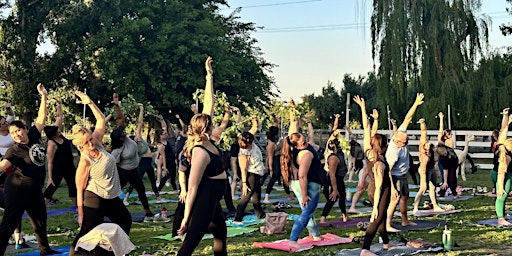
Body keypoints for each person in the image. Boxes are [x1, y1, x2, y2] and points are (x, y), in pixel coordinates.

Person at [69, 90, 132, 255]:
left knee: (125, 221)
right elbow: (79, 187)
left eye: (91, 139)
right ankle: (73, 253)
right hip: (95, 198)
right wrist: (81, 213)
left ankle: (115, 251)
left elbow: (100, 119)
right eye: (86, 142)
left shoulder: (97, 142)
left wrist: (89, 102)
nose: (91, 143)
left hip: (111, 197)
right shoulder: (84, 160)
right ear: (80, 145)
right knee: (85, 232)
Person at [0, 84, 59, 255]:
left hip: (34, 190)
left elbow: (42, 116)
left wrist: (44, 96)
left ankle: (45, 249)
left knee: (40, 221)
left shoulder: (33, 135)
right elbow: (3, 166)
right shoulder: (14, 150)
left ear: (25, 129)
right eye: (13, 134)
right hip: (17, 189)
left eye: (18, 130)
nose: (17, 135)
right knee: (10, 223)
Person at [177, 56, 228, 256]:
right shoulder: (199, 151)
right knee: (192, 239)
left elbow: (209, 104)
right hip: (206, 196)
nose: (215, 123)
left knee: (220, 232)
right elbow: (192, 186)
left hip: (213, 195)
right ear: (206, 128)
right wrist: (185, 217)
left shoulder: (207, 141)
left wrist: (209, 77)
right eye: (212, 123)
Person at [110, 94, 162, 222]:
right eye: (122, 134)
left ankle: (148, 212)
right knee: (114, 193)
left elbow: (120, 119)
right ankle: (107, 210)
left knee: (141, 190)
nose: (125, 133)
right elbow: (114, 166)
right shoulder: (117, 151)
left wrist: (117, 106)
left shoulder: (128, 139)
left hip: (134, 170)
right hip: (124, 172)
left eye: (124, 132)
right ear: (119, 139)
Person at [354, 96, 393, 256]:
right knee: (376, 218)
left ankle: (386, 243)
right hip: (379, 191)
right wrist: (375, 206)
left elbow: (367, 128)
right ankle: (365, 249)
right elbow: (377, 187)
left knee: (382, 220)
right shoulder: (379, 163)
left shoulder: (369, 152)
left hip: (379, 189)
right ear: (383, 147)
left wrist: (364, 110)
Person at [281, 99, 322, 247]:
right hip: (307, 184)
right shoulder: (305, 154)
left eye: (305, 140)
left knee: (307, 211)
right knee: (306, 212)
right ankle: (293, 239)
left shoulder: (297, 145)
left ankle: (315, 234)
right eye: (303, 142)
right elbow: (302, 175)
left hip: (302, 183)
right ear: (297, 146)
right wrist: (305, 194)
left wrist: (293, 109)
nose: (306, 143)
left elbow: (294, 125)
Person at [385, 93, 424, 232]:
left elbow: (408, 117)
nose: (407, 144)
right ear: (397, 141)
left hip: (403, 174)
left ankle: (405, 221)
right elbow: (387, 171)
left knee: (405, 197)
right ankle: (387, 225)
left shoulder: (400, 133)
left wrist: (416, 103)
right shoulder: (393, 153)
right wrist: (393, 188)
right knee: (394, 199)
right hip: (394, 176)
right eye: (405, 143)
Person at [0, 103, 26, 249]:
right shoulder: (5, 139)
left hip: (13, 172)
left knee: (14, 204)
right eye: (4, 124)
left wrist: (9, 108)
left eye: (6, 122)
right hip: (3, 172)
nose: (7, 124)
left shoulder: (10, 133)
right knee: (10, 205)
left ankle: (18, 237)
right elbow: (10, 141)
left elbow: (12, 116)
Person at [124, 103, 161, 205]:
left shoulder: (140, 138)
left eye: (137, 137)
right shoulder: (134, 147)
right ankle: (126, 198)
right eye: (135, 138)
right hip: (144, 162)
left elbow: (140, 123)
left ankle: (158, 197)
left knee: (152, 180)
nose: (137, 138)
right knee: (137, 179)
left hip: (150, 161)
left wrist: (141, 109)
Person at [43, 102, 78, 207]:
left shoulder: (60, 136)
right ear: (53, 134)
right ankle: (42, 207)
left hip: (69, 167)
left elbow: (59, 117)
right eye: (57, 130)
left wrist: (59, 107)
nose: (59, 130)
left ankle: (77, 207)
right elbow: (50, 161)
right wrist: (50, 177)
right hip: (58, 168)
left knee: (73, 186)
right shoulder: (51, 143)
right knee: (52, 187)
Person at [233, 117, 266, 223]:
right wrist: (244, 183)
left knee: (256, 196)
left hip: (257, 173)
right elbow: (243, 169)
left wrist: (255, 120)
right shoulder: (244, 152)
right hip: (250, 174)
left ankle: (260, 214)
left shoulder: (248, 139)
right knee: (246, 197)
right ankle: (238, 217)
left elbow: (255, 128)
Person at [412, 118, 443, 213]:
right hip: (423, 170)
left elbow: (438, 133)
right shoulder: (423, 152)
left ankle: (435, 205)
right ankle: (415, 207)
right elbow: (423, 132)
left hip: (431, 168)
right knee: (423, 189)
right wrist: (424, 181)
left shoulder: (432, 150)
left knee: (433, 187)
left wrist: (441, 119)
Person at [319, 131, 349, 223]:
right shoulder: (333, 158)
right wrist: (335, 189)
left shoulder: (340, 153)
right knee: (334, 197)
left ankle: (345, 215)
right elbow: (332, 175)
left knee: (342, 196)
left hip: (339, 178)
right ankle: (323, 217)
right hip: (334, 179)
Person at [263, 124, 294, 203]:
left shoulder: (275, 142)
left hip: (280, 160)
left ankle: (289, 195)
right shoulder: (271, 144)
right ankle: (266, 197)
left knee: (285, 177)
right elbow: (269, 157)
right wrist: (270, 168)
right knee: (274, 177)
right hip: (275, 161)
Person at [495, 107, 512, 226]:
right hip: (500, 174)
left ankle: (503, 214)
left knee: (506, 193)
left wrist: (505, 117)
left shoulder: (504, 146)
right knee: (502, 194)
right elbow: (501, 174)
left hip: (509, 174)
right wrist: (500, 187)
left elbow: (503, 130)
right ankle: (500, 218)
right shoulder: (504, 157)